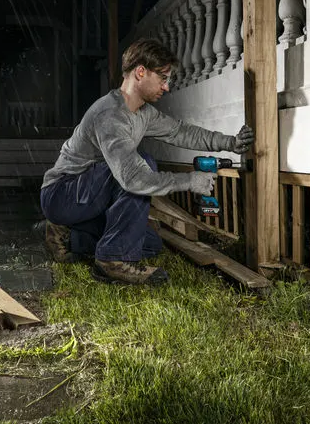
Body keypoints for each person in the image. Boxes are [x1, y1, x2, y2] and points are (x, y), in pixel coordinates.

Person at [37, 38, 254, 285]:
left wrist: (230, 143)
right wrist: (189, 180)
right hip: (62, 192)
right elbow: (133, 178)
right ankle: (111, 261)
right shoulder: (109, 115)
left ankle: (67, 234)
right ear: (140, 72)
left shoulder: (143, 113)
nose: (167, 87)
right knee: (143, 165)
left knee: (150, 244)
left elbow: (181, 132)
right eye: (162, 78)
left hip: (89, 196)